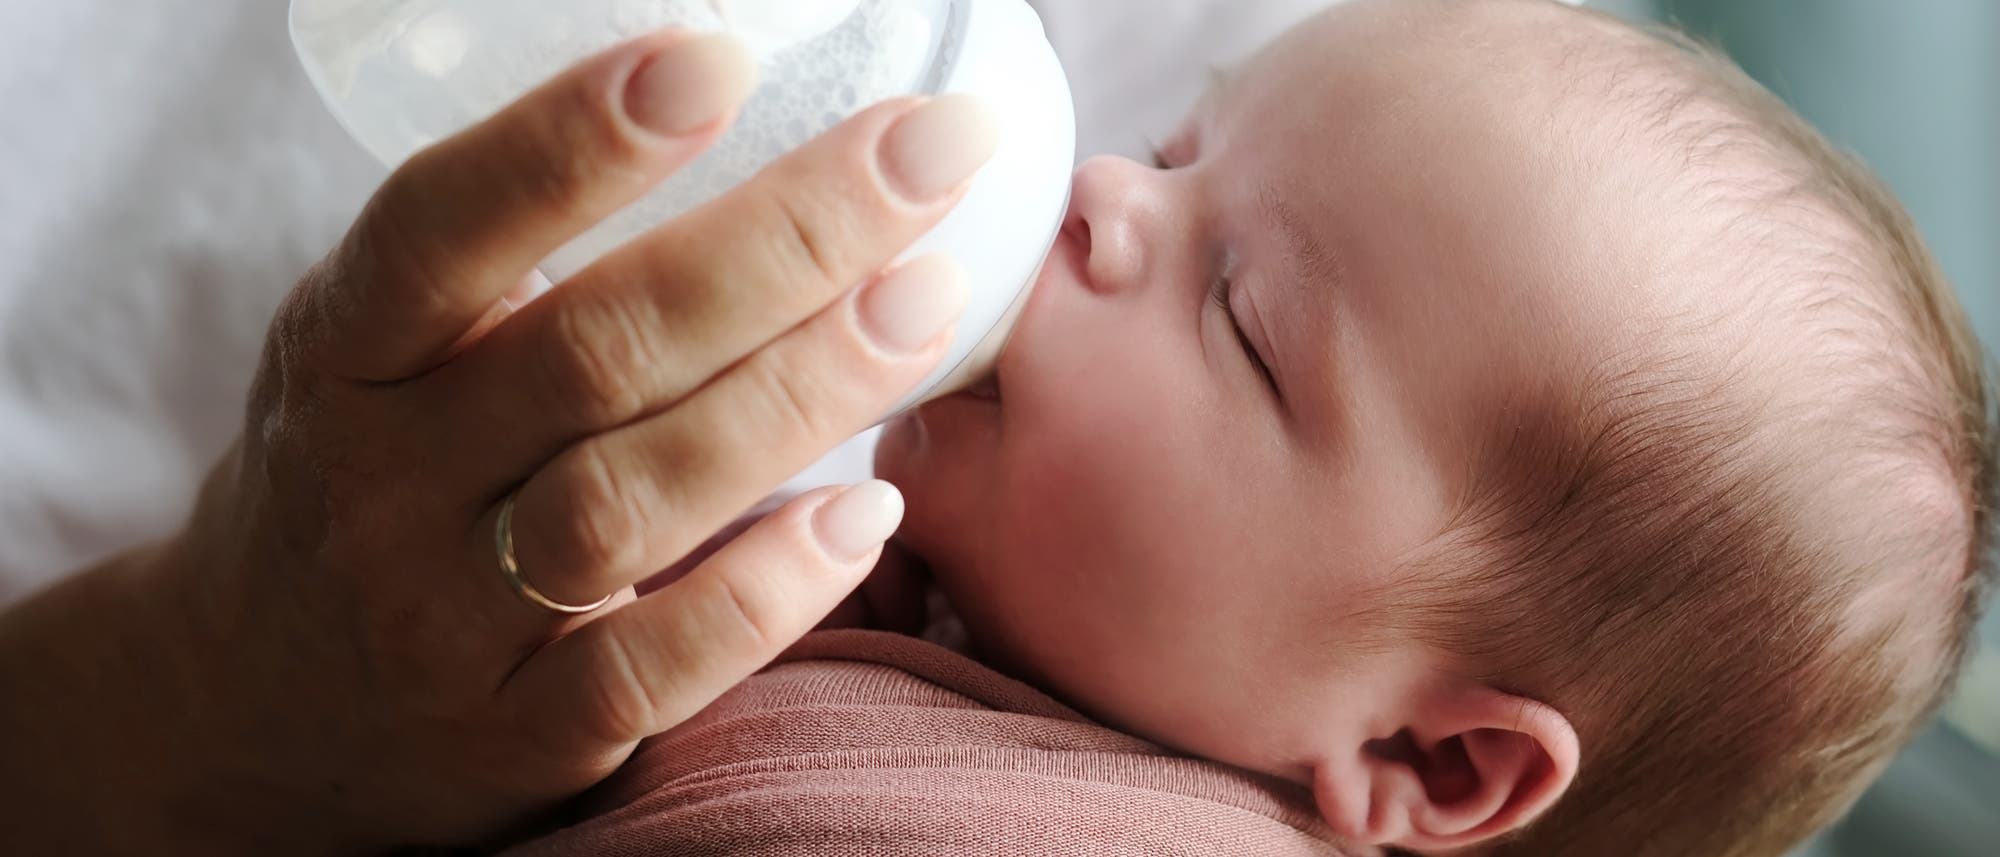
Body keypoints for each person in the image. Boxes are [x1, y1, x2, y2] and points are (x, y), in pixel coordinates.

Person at [511, 1, 1997, 855]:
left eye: (1243, 317)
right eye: (1177, 150)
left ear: (1428, 761)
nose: (1102, 194)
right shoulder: (966, 617)